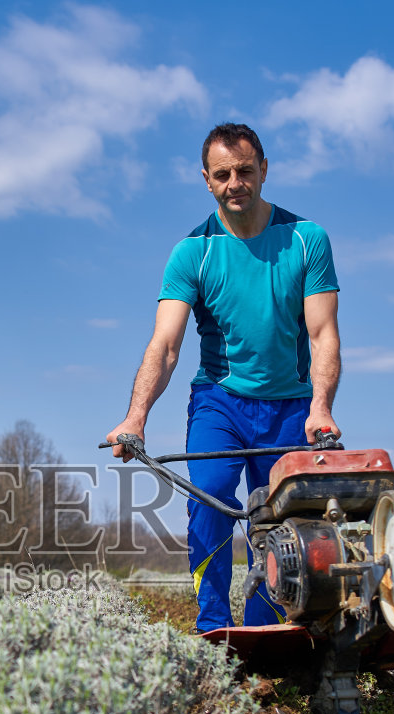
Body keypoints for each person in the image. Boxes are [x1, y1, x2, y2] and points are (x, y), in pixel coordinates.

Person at [106, 122, 341, 632]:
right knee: (210, 496)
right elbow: (166, 345)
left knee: (280, 519)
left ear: (263, 171)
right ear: (207, 181)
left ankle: (264, 631)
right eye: (223, 174)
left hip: (292, 405)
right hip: (221, 400)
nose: (235, 182)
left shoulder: (306, 240)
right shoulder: (193, 251)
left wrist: (321, 406)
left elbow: (323, 334)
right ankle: (213, 626)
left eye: (245, 171)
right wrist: (136, 417)